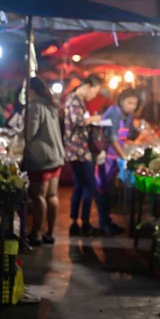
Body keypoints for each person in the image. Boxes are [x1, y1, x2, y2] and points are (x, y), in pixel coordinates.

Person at [25, 77, 65, 246]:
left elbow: (30, 133)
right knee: (52, 195)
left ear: (31, 90)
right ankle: (50, 233)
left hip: (41, 157)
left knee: (38, 195)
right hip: (56, 155)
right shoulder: (52, 105)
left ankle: (36, 233)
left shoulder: (35, 107)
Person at [64, 75, 103, 237]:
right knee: (90, 186)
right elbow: (76, 121)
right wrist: (94, 119)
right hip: (78, 150)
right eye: (94, 92)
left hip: (77, 150)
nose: (93, 96)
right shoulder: (74, 99)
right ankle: (85, 223)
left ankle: (75, 222)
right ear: (87, 86)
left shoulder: (76, 100)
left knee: (79, 186)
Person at [98, 89, 140, 235]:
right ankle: (103, 223)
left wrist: (138, 131)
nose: (132, 106)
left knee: (109, 190)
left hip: (115, 157)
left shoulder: (128, 115)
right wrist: (124, 157)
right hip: (106, 157)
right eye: (129, 102)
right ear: (121, 101)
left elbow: (131, 132)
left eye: (135, 103)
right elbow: (113, 138)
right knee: (102, 190)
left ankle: (107, 221)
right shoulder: (114, 113)